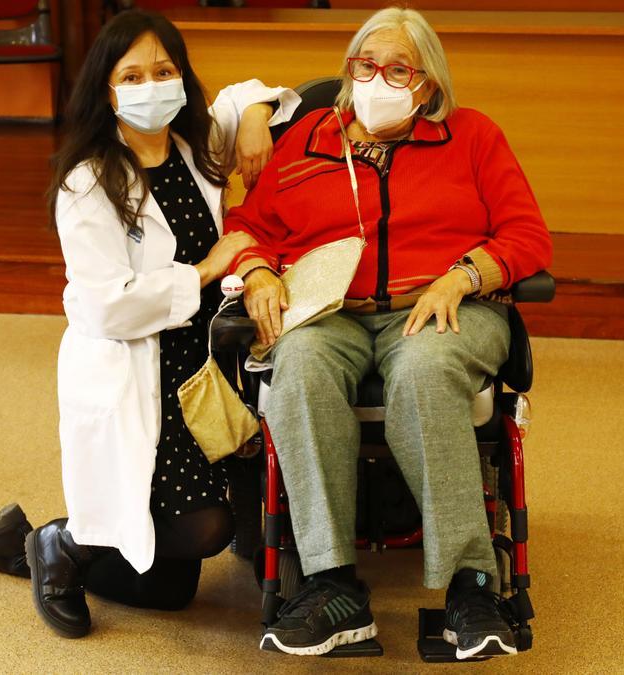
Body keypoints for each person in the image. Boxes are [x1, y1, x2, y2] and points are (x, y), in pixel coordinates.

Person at [0, 10, 300, 639]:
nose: (151, 86)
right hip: (138, 367)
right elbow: (111, 306)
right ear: (105, 90)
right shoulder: (88, 182)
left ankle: (26, 540)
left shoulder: (196, 145)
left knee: (167, 590)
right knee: (203, 530)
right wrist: (203, 270)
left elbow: (255, 92)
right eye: (131, 75)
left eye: (164, 71)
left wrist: (250, 117)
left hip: (202, 364)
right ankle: (56, 543)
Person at [223, 7, 552, 660]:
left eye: (396, 68)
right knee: (302, 368)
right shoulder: (310, 138)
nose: (377, 79)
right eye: (365, 65)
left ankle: (472, 582)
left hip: (441, 308)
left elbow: (527, 237)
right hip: (329, 312)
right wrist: (256, 269)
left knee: (425, 371)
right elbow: (247, 221)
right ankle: (329, 582)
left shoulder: (473, 137)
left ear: (426, 83)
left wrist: (463, 275)